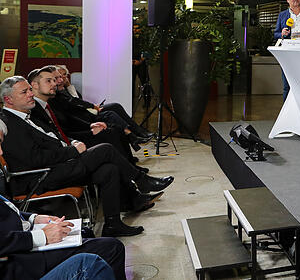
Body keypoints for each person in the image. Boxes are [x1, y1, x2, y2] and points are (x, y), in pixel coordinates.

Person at [0, 76, 173, 237]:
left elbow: (55, 137)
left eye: (30, 89)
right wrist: (73, 151)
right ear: (8, 99)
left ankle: (112, 224)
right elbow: (35, 159)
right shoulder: (8, 124)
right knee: (105, 149)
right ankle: (141, 180)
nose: (31, 94)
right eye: (25, 92)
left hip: (57, 166)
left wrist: (73, 143)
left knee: (108, 169)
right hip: (39, 177)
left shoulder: (26, 115)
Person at [0, 120, 126, 280]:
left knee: (85, 230)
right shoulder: (16, 125)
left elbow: (6, 207)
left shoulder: (33, 117)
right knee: (108, 249)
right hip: (16, 263)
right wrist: (41, 236)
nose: (1, 152)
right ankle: (138, 182)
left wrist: (33, 218)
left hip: (21, 239)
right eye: (24, 92)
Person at [27, 68, 139, 167]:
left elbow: (71, 112)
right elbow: (59, 132)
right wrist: (89, 131)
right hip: (69, 142)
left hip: (76, 131)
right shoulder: (36, 108)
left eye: (56, 79)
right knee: (110, 131)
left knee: (114, 127)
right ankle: (131, 167)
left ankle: (130, 164)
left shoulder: (50, 99)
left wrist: (90, 126)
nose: (55, 83)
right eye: (49, 81)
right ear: (35, 85)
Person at [52, 66, 153, 142]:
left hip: (87, 110)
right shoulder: (58, 91)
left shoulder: (66, 88)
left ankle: (138, 133)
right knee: (114, 108)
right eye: (60, 76)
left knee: (115, 107)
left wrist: (69, 86)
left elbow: (78, 99)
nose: (64, 78)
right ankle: (137, 134)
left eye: (65, 75)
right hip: (85, 114)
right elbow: (75, 102)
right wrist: (94, 107)